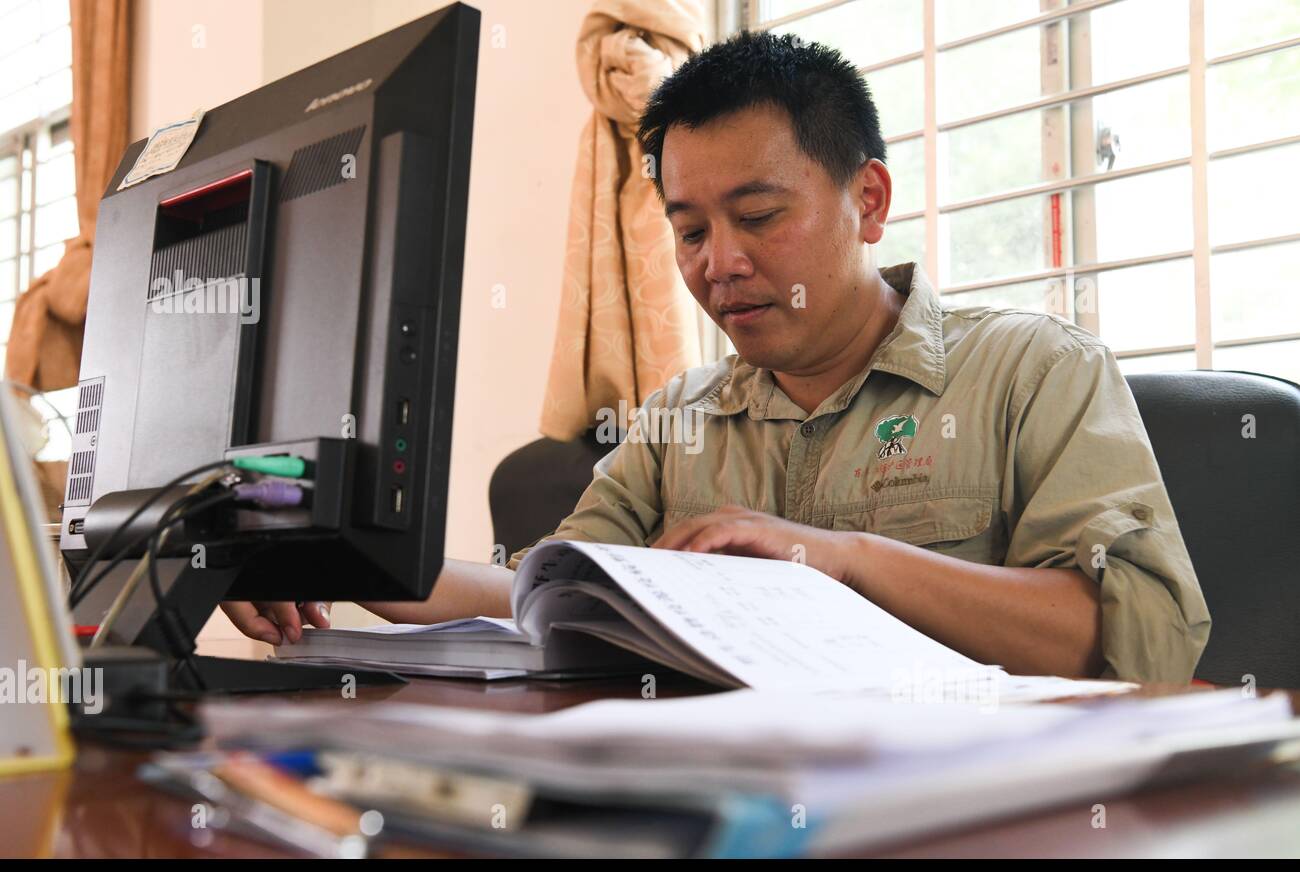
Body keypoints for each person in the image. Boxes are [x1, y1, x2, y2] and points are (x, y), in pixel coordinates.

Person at [224, 32, 1210, 682]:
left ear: (867, 200)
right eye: (688, 229)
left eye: (758, 215)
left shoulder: (1034, 371)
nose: (720, 264)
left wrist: (840, 560)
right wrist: (343, 557)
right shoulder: (679, 420)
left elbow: (1135, 639)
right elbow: (535, 590)